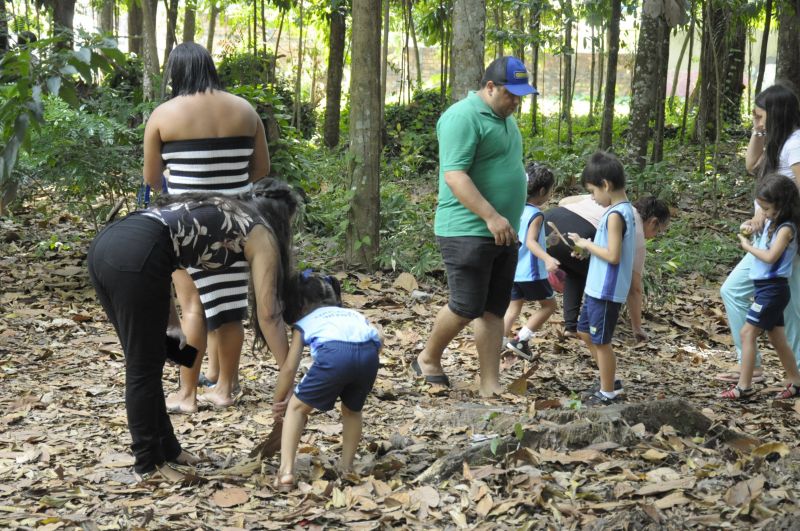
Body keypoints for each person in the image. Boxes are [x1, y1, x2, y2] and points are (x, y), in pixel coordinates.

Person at [87, 179, 297, 482]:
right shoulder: (260, 231)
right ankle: (148, 465)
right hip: (135, 255)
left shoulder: (219, 212)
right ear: (282, 219)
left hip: (110, 245)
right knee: (143, 367)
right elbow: (269, 315)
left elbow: (166, 260)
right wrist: (288, 374)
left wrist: (172, 330)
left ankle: (168, 449)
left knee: (151, 358)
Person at [143, 42, 271, 413]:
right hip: (238, 220)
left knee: (193, 307)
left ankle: (187, 395)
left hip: (187, 223)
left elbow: (152, 178)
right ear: (210, 68)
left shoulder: (164, 114)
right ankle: (224, 389)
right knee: (230, 308)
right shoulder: (245, 110)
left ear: (176, 74)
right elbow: (261, 169)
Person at [412, 56, 538, 397]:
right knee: (466, 305)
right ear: (490, 87)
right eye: (511, 94)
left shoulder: (505, 119)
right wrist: (490, 215)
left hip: (503, 231)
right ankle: (428, 358)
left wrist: (506, 219)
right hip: (467, 228)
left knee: (493, 309)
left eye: (521, 95)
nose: (516, 101)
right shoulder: (462, 117)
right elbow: (454, 175)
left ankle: (489, 384)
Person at [718, 83, 800, 383]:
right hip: (769, 234)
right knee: (735, 292)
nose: (757, 120)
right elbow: (751, 164)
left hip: (785, 240)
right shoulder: (776, 140)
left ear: (776, 113)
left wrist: (781, 227)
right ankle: (751, 365)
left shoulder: (795, 143)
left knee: (791, 309)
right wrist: (757, 129)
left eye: (760, 115)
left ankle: (792, 374)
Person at [272, 272, 382, 490]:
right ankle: (347, 467)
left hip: (335, 355)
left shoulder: (304, 322)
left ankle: (285, 472)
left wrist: (278, 402)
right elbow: (379, 338)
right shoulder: (353, 314)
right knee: (352, 411)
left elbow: (289, 369)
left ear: (301, 304)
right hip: (369, 355)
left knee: (296, 408)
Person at [544, 195, 670, 342]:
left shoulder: (615, 202)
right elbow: (634, 288)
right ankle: (591, 325)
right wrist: (637, 327)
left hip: (545, 225)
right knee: (604, 271)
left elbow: (563, 201)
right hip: (575, 238)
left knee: (577, 271)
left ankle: (571, 328)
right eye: (658, 232)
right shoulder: (636, 231)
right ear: (653, 222)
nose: (654, 237)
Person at [721, 175, 800, 399]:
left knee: (747, 333)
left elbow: (770, 256)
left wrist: (747, 247)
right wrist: (749, 228)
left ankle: (743, 387)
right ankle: (796, 380)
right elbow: (761, 235)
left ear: (781, 205)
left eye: (766, 209)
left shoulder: (786, 228)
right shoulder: (772, 223)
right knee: (776, 338)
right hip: (766, 289)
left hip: (773, 290)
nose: (763, 213)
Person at [567, 152, 636, 406]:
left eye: (593, 192)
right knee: (584, 332)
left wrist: (586, 243)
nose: (593, 199)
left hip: (606, 291)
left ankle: (607, 391)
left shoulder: (617, 214)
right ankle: (610, 380)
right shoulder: (618, 211)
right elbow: (606, 249)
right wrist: (586, 250)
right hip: (596, 288)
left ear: (605, 185)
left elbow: (613, 255)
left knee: (601, 342)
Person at [503, 162, 559, 359]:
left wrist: (547, 242)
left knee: (513, 307)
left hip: (514, 270)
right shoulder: (536, 214)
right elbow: (530, 242)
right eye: (550, 190)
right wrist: (548, 258)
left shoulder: (515, 209)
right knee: (550, 306)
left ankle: (498, 341)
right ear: (542, 190)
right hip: (531, 272)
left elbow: (525, 240)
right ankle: (521, 340)